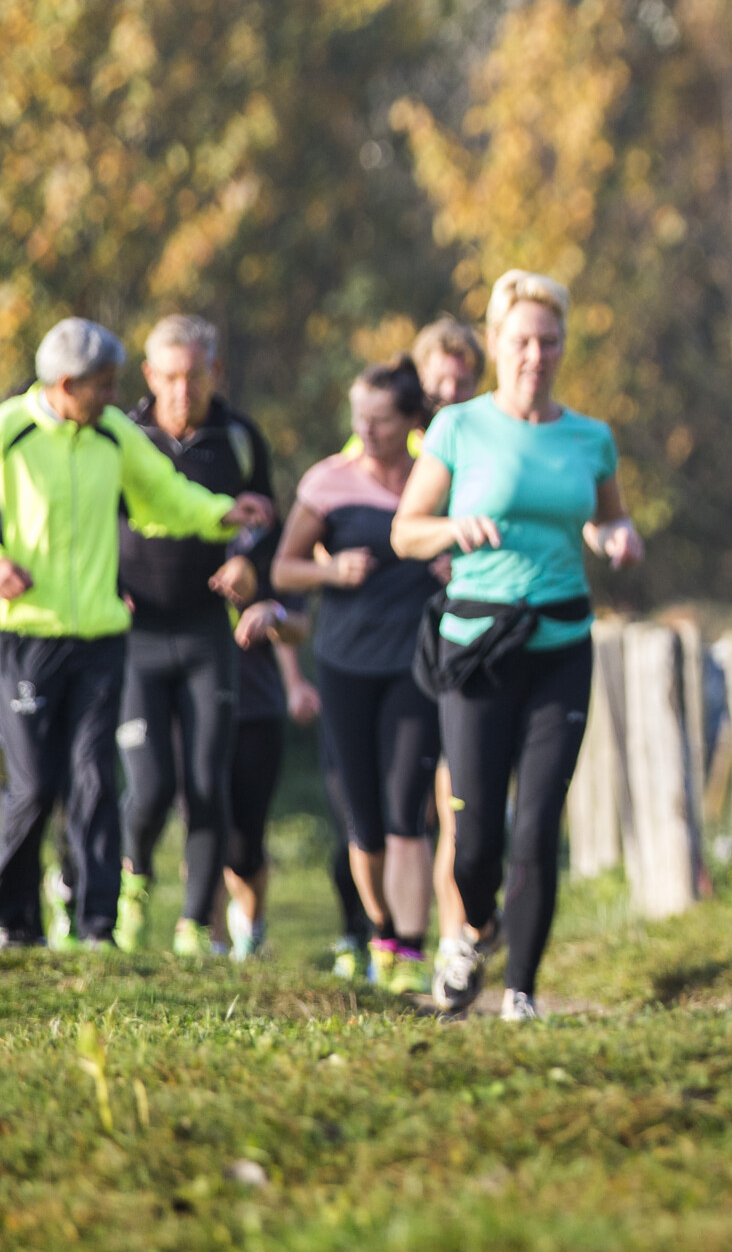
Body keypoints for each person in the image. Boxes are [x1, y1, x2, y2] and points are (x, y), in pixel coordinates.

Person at [0, 319, 273, 948]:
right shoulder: (2, 433)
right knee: (35, 786)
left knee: (97, 780)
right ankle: (15, 924)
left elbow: (163, 495)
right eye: (102, 386)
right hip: (26, 636)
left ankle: (98, 924)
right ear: (67, 383)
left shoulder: (113, 436)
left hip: (102, 633)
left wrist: (220, 515)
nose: (114, 396)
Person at [393, 270, 642, 1019]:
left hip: (561, 644)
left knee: (536, 824)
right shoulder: (459, 428)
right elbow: (406, 529)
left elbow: (604, 518)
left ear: (564, 346)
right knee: (474, 840)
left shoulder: (590, 437)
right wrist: (452, 528)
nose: (536, 353)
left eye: (550, 340)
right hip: (476, 646)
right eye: (522, 340)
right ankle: (476, 929)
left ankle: (522, 993)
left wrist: (616, 535)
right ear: (498, 344)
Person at [113, 315, 279, 956]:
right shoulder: (123, 437)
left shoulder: (238, 439)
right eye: (170, 377)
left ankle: (193, 929)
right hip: (138, 635)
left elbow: (266, 521)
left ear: (215, 372)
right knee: (151, 787)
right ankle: (133, 888)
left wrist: (249, 563)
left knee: (208, 782)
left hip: (208, 635)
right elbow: (93, 517)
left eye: (195, 376)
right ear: (151, 376)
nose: (183, 391)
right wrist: (106, 583)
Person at [277, 358, 443, 991]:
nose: (367, 431)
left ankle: (409, 951)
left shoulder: (434, 484)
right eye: (359, 419)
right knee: (363, 821)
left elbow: (455, 540)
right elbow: (285, 568)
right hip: (345, 666)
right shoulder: (329, 483)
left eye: (380, 421)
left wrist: (450, 565)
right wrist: (330, 571)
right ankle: (379, 928)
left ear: (408, 422)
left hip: (414, 668)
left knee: (408, 811)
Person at [408, 317, 489, 970]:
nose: (450, 387)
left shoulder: (493, 441)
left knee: (459, 801)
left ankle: (458, 932)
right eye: (440, 376)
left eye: (463, 378)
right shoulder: (394, 443)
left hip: (468, 636)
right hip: (402, 645)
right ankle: (407, 936)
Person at [222, 595, 319, 958]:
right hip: (192, 702)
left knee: (244, 845)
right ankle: (208, 940)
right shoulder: (187, 542)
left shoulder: (264, 547)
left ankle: (251, 928)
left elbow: (292, 625)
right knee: (203, 828)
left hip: (257, 704)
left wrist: (294, 683)